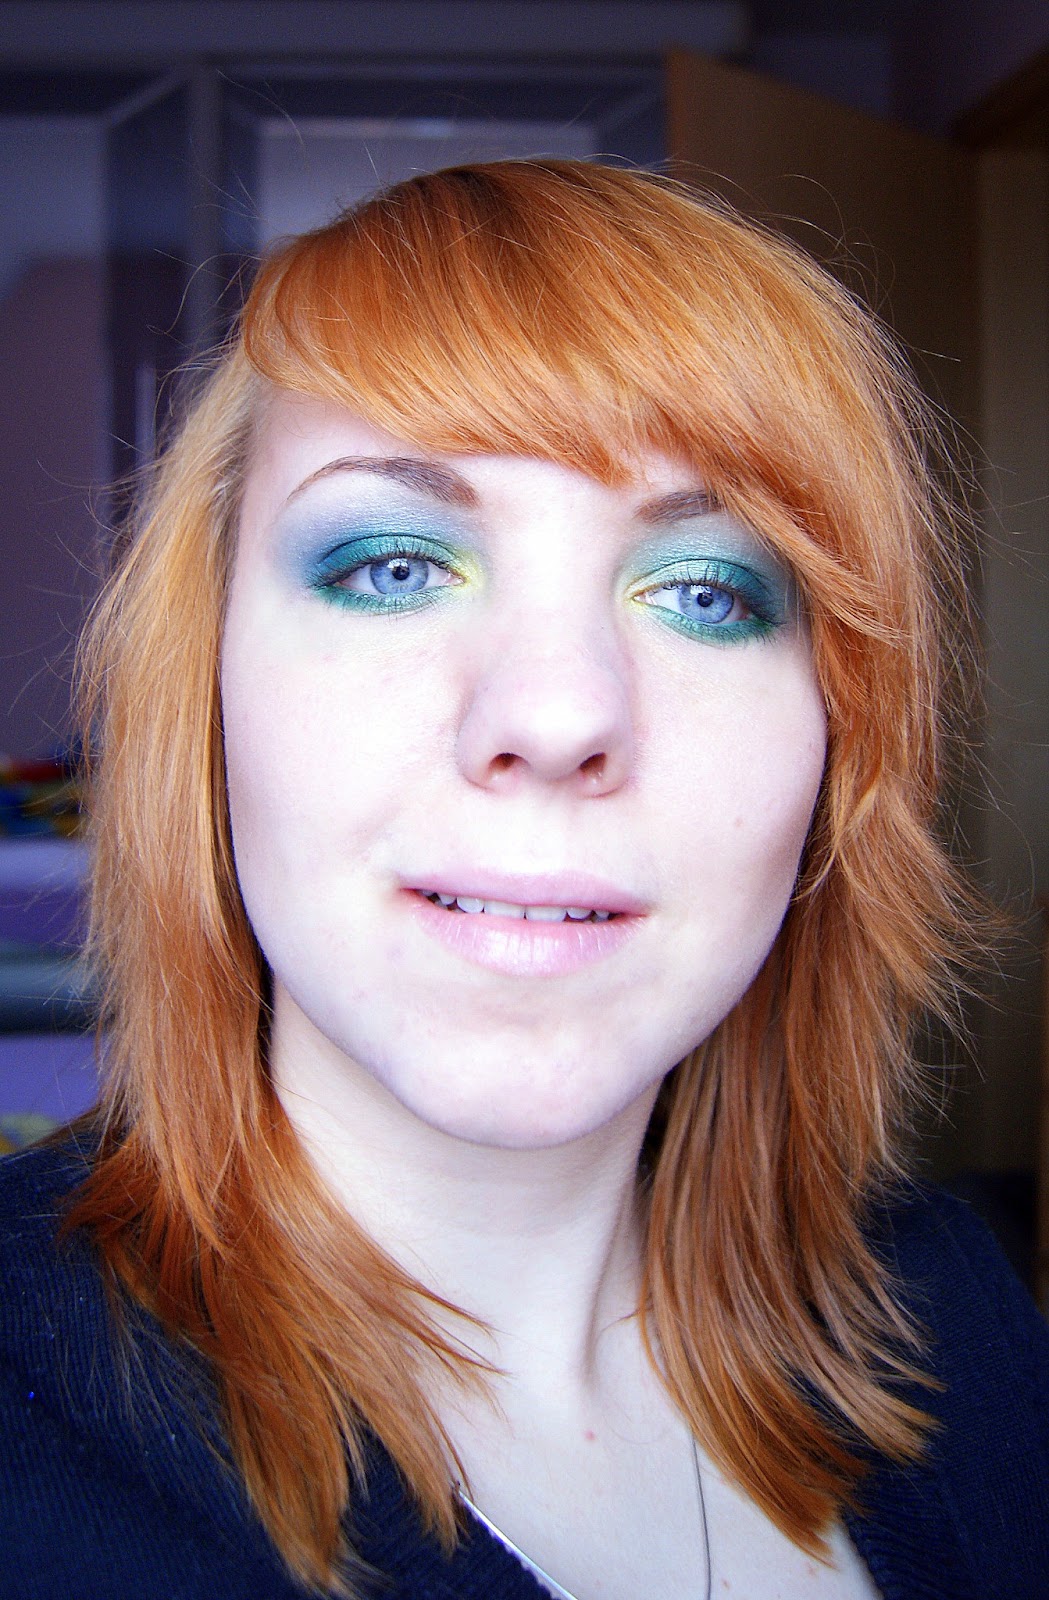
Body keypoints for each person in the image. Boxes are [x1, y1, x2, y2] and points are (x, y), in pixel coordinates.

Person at [1, 159, 1047, 1600]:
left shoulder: (964, 1321)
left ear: (837, 739)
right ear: (211, 687)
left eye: (704, 592)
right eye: (393, 565)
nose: (556, 715)